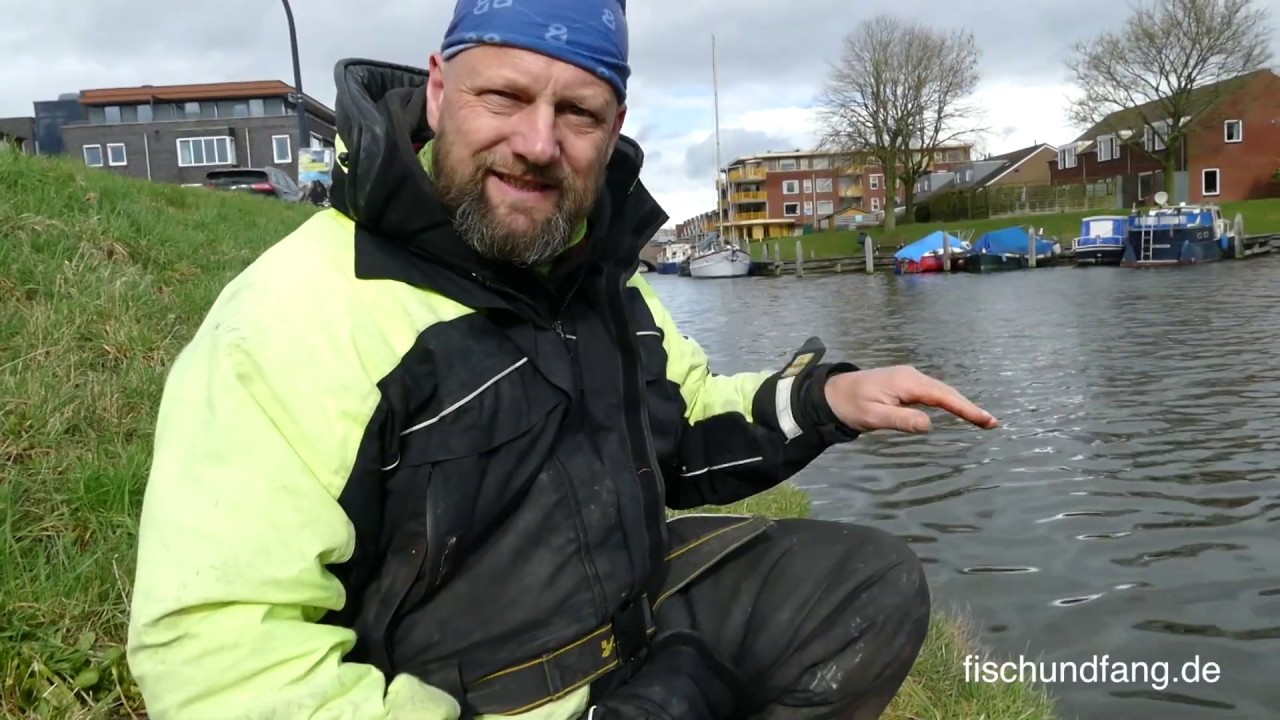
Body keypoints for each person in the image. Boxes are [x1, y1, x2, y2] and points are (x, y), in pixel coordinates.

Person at [125, 0, 998, 718]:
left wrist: (827, 400)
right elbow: (219, 663)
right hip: (463, 692)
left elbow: (681, 423)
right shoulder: (292, 316)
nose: (539, 144)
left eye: (577, 111)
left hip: (625, 621)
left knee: (866, 587)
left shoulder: (596, 271)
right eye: (503, 96)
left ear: (614, 124)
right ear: (438, 90)